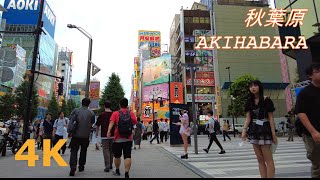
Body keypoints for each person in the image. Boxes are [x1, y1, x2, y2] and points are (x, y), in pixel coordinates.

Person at [241, 80, 278, 178]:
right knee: (260, 159)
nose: (253, 88)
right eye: (251, 86)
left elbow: (271, 118)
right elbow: (248, 117)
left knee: (268, 160)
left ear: (259, 87)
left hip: (265, 130)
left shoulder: (267, 100)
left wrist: (274, 134)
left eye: (255, 85)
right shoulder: (249, 102)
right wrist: (244, 130)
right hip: (254, 130)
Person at [295, 63, 320, 178]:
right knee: (317, 165)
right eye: (318, 71)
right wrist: (313, 132)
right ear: (310, 75)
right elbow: (301, 112)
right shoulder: (305, 93)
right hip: (312, 135)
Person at [107, 98, 138, 178]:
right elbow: (135, 122)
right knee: (127, 156)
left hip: (117, 138)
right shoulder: (130, 113)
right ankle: (126, 173)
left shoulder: (115, 113)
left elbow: (112, 122)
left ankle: (117, 170)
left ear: (119, 105)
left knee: (117, 155)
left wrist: (109, 132)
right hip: (128, 138)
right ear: (127, 105)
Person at [69, 98, 95, 176]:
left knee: (73, 151)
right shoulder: (91, 113)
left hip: (75, 135)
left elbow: (70, 119)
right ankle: (81, 166)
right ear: (88, 104)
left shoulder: (76, 110)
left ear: (82, 103)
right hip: (85, 135)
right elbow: (92, 123)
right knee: (83, 151)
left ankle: (73, 167)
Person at [96, 100, 114, 172]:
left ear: (104, 106)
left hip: (104, 135)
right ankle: (111, 165)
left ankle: (107, 165)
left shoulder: (102, 114)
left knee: (105, 150)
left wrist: (97, 133)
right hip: (112, 135)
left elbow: (97, 125)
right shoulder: (113, 114)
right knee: (111, 150)